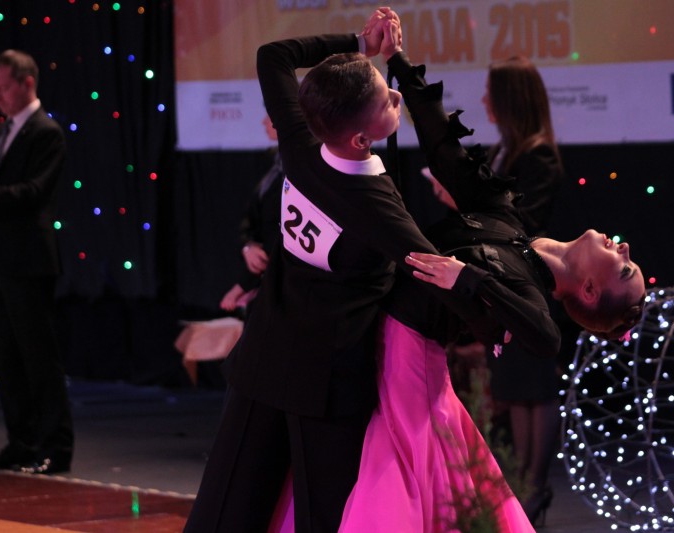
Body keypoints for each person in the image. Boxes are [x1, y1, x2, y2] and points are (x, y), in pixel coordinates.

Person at [333, 11, 646, 531]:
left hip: (406, 366)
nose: (626, 247)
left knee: (397, 502)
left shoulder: (527, 288)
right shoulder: (507, 217)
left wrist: (468, 279)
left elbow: (545, 337)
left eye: (626, 267)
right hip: (372, 338)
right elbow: (443, 147)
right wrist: (397, 61)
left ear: (590, 289)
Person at [183, 11, 488, 533]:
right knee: (324, 519)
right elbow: (435, 271)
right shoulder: (374, 204)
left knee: (226, 511)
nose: (397, 97)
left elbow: (274, 55)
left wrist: (358, 44)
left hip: (266, 356)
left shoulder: (300, 144)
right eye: (387, 100)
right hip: (326, 385)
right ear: (361, 139)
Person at [482, 55, 564, 523]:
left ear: (510, 99)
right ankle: (522, 485)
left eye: (491, 93)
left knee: (536, 387)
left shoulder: (539, 155)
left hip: (531, 283)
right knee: (514, 387)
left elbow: (526, 221)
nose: (484, 101)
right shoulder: (505, 148)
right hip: (508, 283)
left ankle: (536, 484)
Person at [0, 49, 74, 475]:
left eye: (4, 88)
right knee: (6, 356)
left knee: (38, 355)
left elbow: (34, 192)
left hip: (28, 260)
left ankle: (55, 445)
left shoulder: (47, 132)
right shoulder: (2, 131)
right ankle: (22, 440)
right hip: (1, 260)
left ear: (27, 83)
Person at [220, 114, 283, 313]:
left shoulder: (299, 170)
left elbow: (280, 232)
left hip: (283, 280)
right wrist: (248, 246)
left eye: (270, 116)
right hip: (265, 275)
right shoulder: (272, 161)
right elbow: (253, 220)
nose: (263, 121)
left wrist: (245, 285)